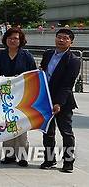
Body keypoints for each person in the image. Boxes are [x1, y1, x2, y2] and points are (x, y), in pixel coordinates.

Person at [39, 28, 81, 173]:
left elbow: (67, 84)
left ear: (71, 42)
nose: (61, 40)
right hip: (46, 99)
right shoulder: (48, 54)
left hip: (63, 102)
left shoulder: (74, 60)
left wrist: (58, 103)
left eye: (65, 38)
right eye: (59, 37)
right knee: (48, 132)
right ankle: (49, 159)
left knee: (66, 133)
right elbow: (42, 74)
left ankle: (68, 162)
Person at [0, 27, 36, 167]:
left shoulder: (27, 56)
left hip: (22, 95)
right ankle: (9, 155)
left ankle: (23, 156)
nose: (12, 41)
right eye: (10, 38)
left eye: (15, 38)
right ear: (5, 39)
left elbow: (33, 76)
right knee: (8, 123)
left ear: (20, 41)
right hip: (5, 95)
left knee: (21, 125)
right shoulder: (0, 55)